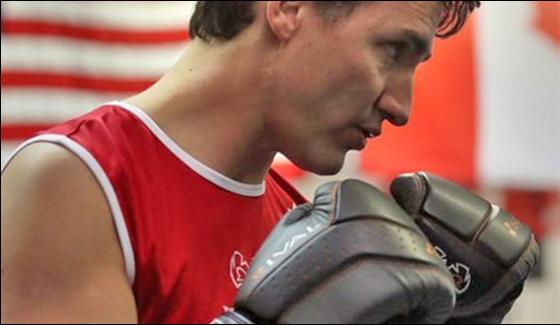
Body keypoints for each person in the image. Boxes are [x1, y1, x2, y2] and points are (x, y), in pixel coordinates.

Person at [1, 1, 479, 323]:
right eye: (393, 50)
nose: (401, 105)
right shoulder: (78, 182)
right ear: (288, 8)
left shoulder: (298, 228)